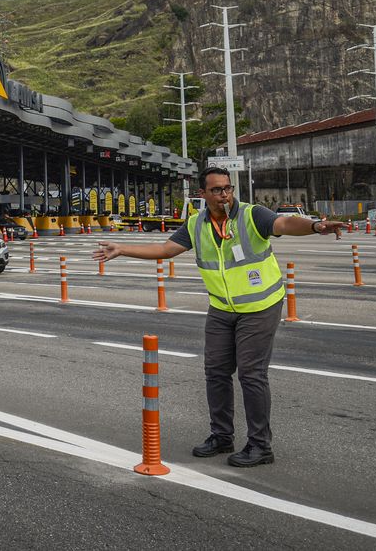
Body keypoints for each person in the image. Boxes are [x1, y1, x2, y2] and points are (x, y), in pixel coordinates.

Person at [92, 166, 345, 467]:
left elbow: (285, 222)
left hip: (260, 306)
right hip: (222, 308)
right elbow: (165, 248)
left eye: (227, 188)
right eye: (216, 190)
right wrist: (122, 248)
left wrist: (315, 227)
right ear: (203, 194)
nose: (224, 194)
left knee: (251, 374)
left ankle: (260, 445)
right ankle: (222, 436)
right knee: (215, 372)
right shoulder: (196, 224)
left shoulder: (252, 215)